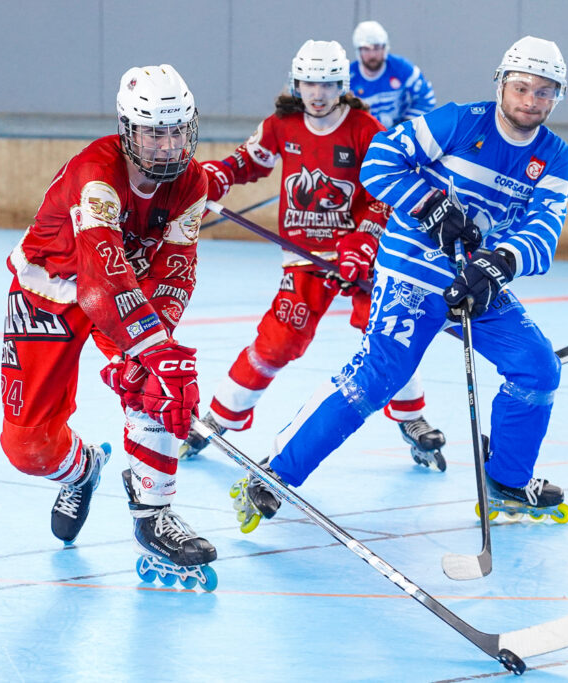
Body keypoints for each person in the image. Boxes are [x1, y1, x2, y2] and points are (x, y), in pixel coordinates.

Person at [237, 36, 568, 525]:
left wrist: (500, 263)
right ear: (501, 83)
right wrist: (428, 202)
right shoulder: (461, 121)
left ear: (557, 96)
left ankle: (505, 481)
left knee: (538, 367)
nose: (530, 100)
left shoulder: (556, 156)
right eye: (521, 87)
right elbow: (379, 160)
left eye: (545, 92)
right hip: (412, 271)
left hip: (476, 280)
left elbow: (544, 228)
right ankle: (276, 473)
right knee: (380, 375)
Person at [180, 40, 447, 515]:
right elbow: (249, 161)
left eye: (326, 83)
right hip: (304, 258)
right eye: (308, 82)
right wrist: (211, 179)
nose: (317, 93)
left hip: (362, 259)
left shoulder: (365, 128)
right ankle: (220, 417)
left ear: (342, 85)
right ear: (296, 82)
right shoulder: (281, 125)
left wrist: (363, 241)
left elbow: (383, 193)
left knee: (384, 335)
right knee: (279, 340)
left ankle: (412, 418)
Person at [0, 64, 217, 587]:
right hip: (50, 290)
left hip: (126, 292)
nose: (167, 148)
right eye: (153, 133)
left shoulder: (195, 184)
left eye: (176, 133)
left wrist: (156, 348)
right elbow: (100, 275)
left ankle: (154, 514)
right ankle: (83, 470)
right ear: (127, 130)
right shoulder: (95, 173)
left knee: (162, 381)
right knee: (27, 448)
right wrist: (149, 344)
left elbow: (175, 269)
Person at [349, 20, 436, 129]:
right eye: (366, 49)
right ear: (358, 51)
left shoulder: (402, 68)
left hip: (402, 134)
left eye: (377, 48)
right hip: (365, 137)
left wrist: (408, 125)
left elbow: (426, 96)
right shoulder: (348, 79)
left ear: (385, 48)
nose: (372, 55)